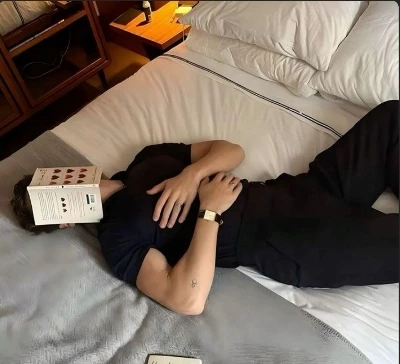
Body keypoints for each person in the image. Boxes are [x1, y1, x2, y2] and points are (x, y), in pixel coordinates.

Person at [11, 101, 399, 315]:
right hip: (289, 241)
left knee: (392, 117)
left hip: (299, 189)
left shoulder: (146, 159)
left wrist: (192, 174)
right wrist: (209, 212)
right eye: (57, 196)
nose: (67, 184)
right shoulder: (117, 237)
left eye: (58, 179)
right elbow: (186, 299)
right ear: (64, 221)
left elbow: (231, 151)